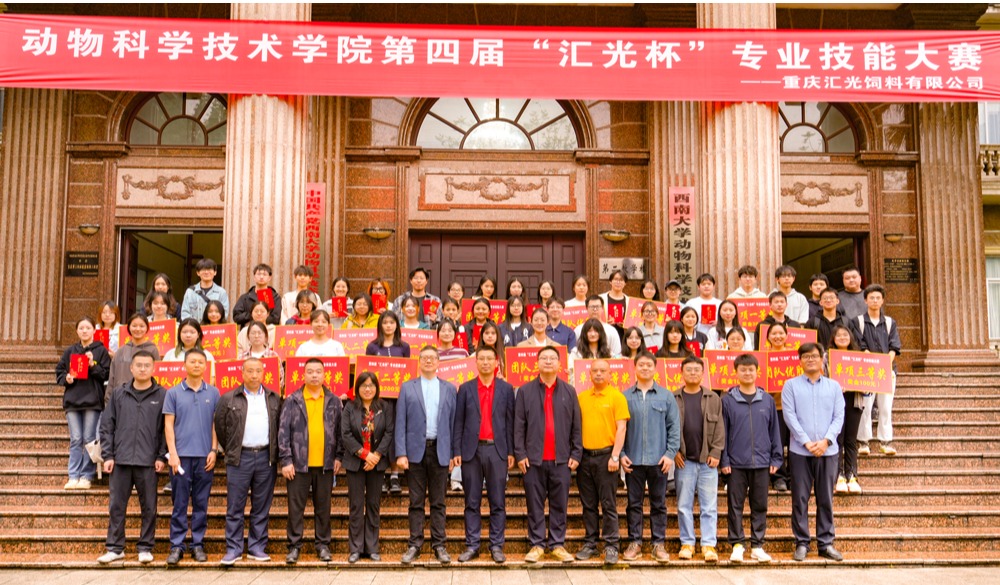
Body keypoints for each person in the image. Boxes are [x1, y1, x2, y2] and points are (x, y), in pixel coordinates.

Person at [97, 350, 166, 565]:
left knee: (149, 507)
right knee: (117, 506)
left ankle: (145, 547)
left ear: (153, 368)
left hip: (148, 461)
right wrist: (108, 455)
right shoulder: (119, 393)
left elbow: (166, 429)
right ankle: (115, 547)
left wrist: (161, 456)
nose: (143, 369)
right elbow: (107, 426)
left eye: (147, 365)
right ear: (131, 368)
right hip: (121, 459)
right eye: (139, 365)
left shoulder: (162, 395)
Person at [514, 345, 582, 564]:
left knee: (559, 503)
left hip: (561, 459)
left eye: (553, 358)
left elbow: (576, 426)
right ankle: (536, 545)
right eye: (544, 358)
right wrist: (520, 454)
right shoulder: (525, 391)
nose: (548, 361)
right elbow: (519, 426)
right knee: (534, 504)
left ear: (560, 364)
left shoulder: (569, 391)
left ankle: (557, 544)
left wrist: (576, 453)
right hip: (533, 460)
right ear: (537, 363)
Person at [782, 343, 846, 562]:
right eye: (806, 356)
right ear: (800, 360)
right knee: (799, 498)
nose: (810, 359)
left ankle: (826, 543)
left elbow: (839, 417)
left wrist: (826, 441)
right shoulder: (790, 385)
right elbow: (789, 416)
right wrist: (807, 442)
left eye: (814, 356)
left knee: (825, 498)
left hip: (828, 451)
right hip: (800, 451)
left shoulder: (834, 387)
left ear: (822, 359)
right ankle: (802, 542)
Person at [215, 358, 281, 566]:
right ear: (242, 373)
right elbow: (220, 426)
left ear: (264, 373)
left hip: (265, 457)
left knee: (261, 506)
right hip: (239, 457)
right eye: (250, 371)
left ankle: (256, 547)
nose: (254, 375)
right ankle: (233, 548)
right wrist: (232, 449)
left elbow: (279, 426)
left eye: (258, 371)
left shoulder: (273, 398)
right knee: (235, 505)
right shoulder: (229, 398)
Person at [453, 346, 516, 563]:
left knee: (497, 501)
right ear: (476, 362)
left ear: (497, 362)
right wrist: (457, 450)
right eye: (482, 359)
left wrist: (511, 451)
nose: (486, 362)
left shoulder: (506, 389)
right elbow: (458, 422)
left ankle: (496, 546)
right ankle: (472, 545)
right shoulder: (465, 388)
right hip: (471, 451)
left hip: (497, 450)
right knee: (472, 501)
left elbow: (510, 421)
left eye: (490, 359)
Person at [278, 358, 343, 564]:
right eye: (310, 371)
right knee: (295, 508)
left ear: (324, 375)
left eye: (318, 371)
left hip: (325, 464)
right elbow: (283, 432)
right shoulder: (292, 400)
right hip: (298, 465)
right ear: (303, 375)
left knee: (323, 508)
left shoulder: (333, 401)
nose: (314, 375)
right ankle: (294, 546)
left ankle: (322, 545)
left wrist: (338, 457)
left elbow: (340, 432)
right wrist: (286, 460)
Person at [396, 346, 458, 565]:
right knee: (416, 501)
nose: (429, 361)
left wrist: (453, 453)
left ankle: (439, 545)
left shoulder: (449, 388)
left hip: (440, 451)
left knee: (438, 502)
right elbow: (400, 421)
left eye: (433, 358)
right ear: (419, 361)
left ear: (439, 362)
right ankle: (415, 544)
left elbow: (453, 424)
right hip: (414, 452)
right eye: (425, 358)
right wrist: (401, 453)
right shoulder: (407, 388)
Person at [720, 354, 782, 564]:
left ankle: (757, 545)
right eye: (743, 369)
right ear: (736, 372)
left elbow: (774, 430)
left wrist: (776, 458)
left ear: (757, 372)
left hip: (762, 462)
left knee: (760, 505)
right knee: (735, 506)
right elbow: (723, 432)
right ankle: (737, 545)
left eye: (751, 369)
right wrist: (724, 460)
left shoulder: (767, 400)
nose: (747, 373)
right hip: (736, 463)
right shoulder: (727, 400)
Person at [620, 351, 680, 563]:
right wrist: (621, 454)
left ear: (655, 368)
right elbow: (618, 429)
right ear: (635, 368)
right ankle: (635, 542)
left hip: (659, 461)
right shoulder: (624, 396)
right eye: (641, 365)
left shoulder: (666, 396)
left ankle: (658, 544)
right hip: (633, 460)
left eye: (649, 365)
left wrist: (670, 454)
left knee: (659, 504)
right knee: (633, 504)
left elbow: (674, 428)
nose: (645, 368)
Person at [163, 348, 220, 566]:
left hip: (205, 458)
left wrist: (214, 450)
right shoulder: (173, 393)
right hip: (181, 458)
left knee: (201, 503)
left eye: (200, 362)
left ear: (206, 366)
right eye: (192, 361)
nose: (196, 365)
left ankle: (197, 544)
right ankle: (176, 546)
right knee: (179, 504)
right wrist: (173, 454)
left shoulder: (213, 393)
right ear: (184, 365)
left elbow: (215, 424)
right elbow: (168, 425)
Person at [574, 359, 629, 565]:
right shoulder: (581, 398)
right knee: (588, 504)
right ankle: (590, 544)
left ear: (609, 374)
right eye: (595, 371)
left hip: (607, 457)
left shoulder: (617, 397)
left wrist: (615, 456)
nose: (598, 374)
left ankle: (611, 545)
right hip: (585, 457)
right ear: (589, 374)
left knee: (608, 504)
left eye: (602, 371)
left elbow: (621, 428)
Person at [673, 356, 724, 563]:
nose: (693, 373)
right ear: (681, 373)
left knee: (709, 506)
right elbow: (669, 427)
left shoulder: (713, 398)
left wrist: (716, 452)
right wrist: (674, 451)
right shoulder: (674, 398)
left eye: (697, 369)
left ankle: (708, 545)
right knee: (683, 505)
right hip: (683, 461)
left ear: (703, 373)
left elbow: (719, 428)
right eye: (689, 369)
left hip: (707, 462)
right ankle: (687, 543)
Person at [341, 372, 394, 563]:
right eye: (364, 385)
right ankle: (355, 548)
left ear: (377, 388)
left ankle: (372, 547)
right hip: (355, 463)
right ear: (357, 388)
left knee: (373, 505)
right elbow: (346, 434)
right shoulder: (350, 407)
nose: (368, 389)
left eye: (371, 385)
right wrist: (365, 454)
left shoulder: (384, 407)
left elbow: (389, 432)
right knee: (356, 505)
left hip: (376, 465)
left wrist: (376, 455)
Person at [56, 317, 111, 490]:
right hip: (72, 401)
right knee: (76, 439)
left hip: (92, 401)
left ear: (94, 330)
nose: (84, 331)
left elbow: (106, 374)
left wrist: (92, 365)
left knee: (89, 439)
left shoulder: (101, 350)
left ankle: (86, 475)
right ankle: (73, 475)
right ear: (77, 331)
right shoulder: (70, 351)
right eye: (81, 328)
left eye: (88, 328)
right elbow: (59, 371)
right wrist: (66, 378)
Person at [853, 283, 901, 456]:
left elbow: (894, 346)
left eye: (878, 298)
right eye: (871, 297)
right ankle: (863, 442)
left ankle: (885, 442)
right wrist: (872, 361)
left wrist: (885, 362)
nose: (874, 300)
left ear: (882, 301)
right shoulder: (858, 321)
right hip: (866, 371)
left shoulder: (889, 322)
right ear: (865, 300)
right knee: (865, 406)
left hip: (886, 370)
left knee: (886, 407)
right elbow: (859, 344)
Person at [366, 310, 409, 494]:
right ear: (380, 325)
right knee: (379, 433)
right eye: (385, 323)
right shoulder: (372, 347)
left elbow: (408, 371)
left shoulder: (404, 347)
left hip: (398, 399)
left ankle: (395, 475)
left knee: (396, 432)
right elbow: (367, 372)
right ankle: (381, 473)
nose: (388, 326)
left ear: (397, 325)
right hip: (378, 399)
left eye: (392, 322)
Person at [829, 325, 866, 494]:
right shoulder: (827, 357)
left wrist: (865, 388)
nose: (842, 338)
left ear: (851, 337)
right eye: (839, 335)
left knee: (851, 440)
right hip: (834, 403)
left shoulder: (858, 357)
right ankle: (838, 476)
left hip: (854, 402)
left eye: (845, 335)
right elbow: (823, 379)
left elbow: (869, 384)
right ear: (833, 339)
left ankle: (852, 475)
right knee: (838, 439)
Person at [107, 314, 161, 393]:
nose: (138, 329)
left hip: (146, 394)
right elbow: (112, 377)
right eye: (134, 326)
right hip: (121, 395)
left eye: (142, 326)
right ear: (129, 327)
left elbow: (157, 375)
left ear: (147, 328)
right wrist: (108, 397)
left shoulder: (152, 349)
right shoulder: (121, 350)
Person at [232, 263, 282, 327]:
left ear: (269, 278)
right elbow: (236, 317)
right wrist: (253, 315)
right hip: (248, 330)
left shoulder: (275, 297)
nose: (261, 277)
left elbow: (276, 318)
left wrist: (260, 318)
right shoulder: (245, 297)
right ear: (254, 277)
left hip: (268, 330)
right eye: (258, 274)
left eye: (264, 274)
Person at [600, 270, 629, 341]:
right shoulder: (601, 298)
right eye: (615, 279)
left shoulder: (629, 301)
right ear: (610, 281)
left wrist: (625, 324)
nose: (618, 282)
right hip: (604, 336)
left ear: (625, 283)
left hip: (623, 337)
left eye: (621, 280)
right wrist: (606, 322)